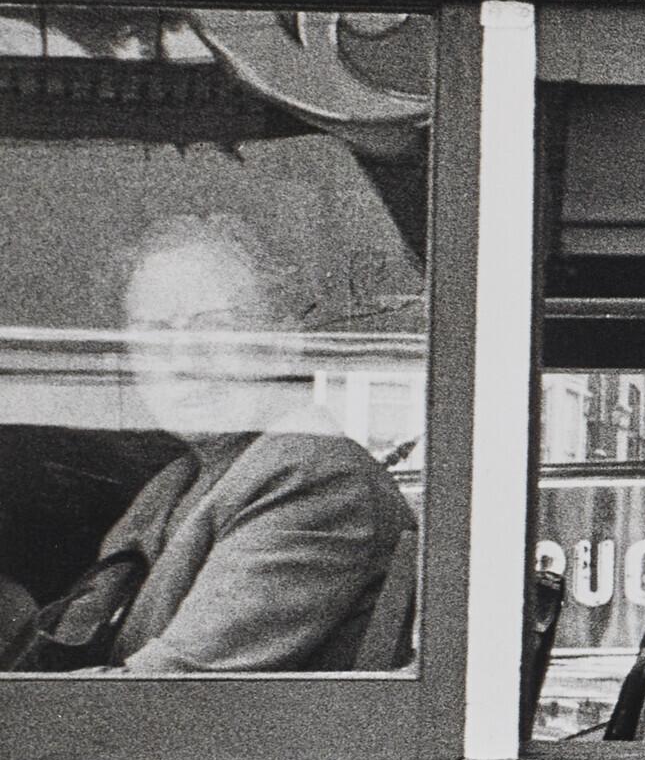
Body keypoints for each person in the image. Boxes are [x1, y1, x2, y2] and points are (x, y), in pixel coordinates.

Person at [8, 214, 416, 673]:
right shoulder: (176, 483)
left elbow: (170, 692)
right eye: (157, 333)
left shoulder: (311, 476)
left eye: (216, 326)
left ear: (285, 343)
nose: (184, 360)